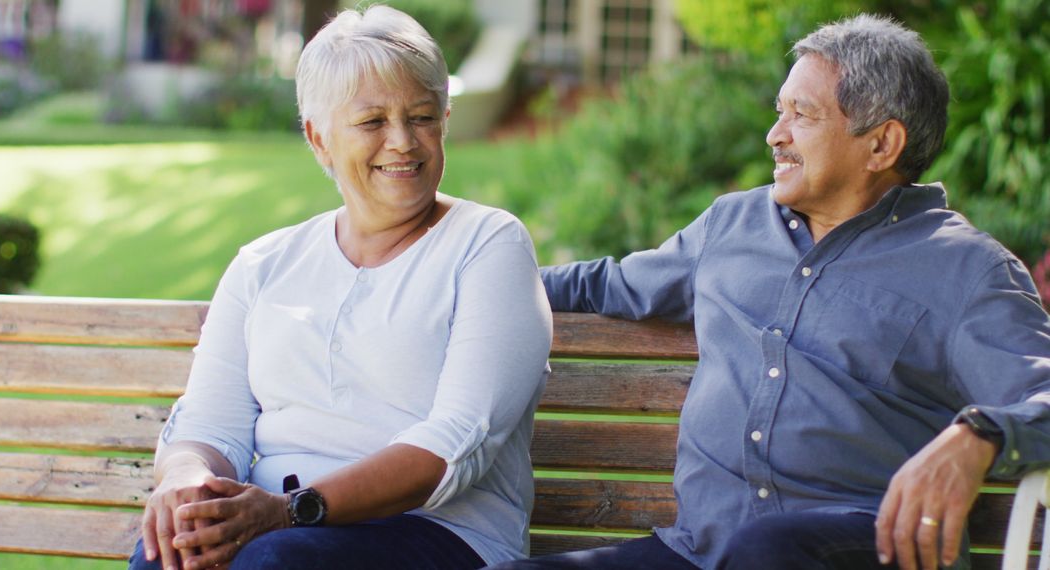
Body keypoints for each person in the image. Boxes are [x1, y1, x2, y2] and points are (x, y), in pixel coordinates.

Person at [487, 13, 1050, 570]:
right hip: (697, 553)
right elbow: (602, 286)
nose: (774, 136)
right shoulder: (730, 226)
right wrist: (463, 285)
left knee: (769, 551)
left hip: (859, 549)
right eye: (780, 112)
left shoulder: (968, 270)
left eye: (801, 115)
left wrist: (979, 435)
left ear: (881, 144)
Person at [129, 6, 552, 570]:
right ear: (319, 138)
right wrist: (186, 483)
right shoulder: (264, 264)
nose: (403, 142)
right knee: (170, 555)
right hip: (276, 529)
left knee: (277, 563)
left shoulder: (487, 245)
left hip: (437, 533)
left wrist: (288, 510)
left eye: (422, 117)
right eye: (373, 122)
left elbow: (456, 444)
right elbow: (208, 423)